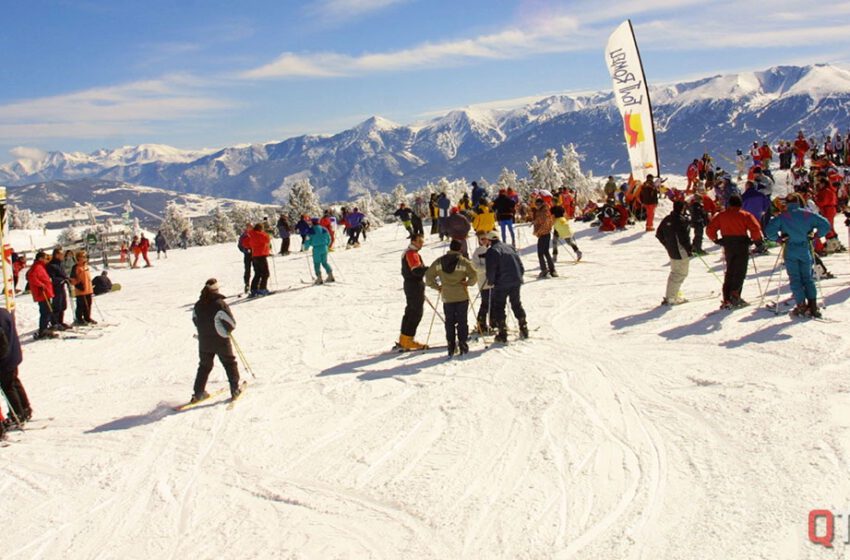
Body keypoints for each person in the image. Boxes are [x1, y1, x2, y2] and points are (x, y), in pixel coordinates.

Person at [764, 193, 832, 318]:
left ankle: (801, 305)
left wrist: (779, 239)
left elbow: (769, 231)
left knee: (795, 278)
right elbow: (826, 224)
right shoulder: (808, 214)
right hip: (805, 248)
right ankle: (812, 305)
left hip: (790, 248)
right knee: (808, 278)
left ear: (787, 204)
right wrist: (816, 235)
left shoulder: (783, 216)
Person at [706, 194, 765, 308]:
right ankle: (735, 295)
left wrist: (716, 240)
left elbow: (710, 229)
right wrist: (756, 240)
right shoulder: (745, 215)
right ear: (740, 204)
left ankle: (726, 297)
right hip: (741, 244)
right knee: (740, 270)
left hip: (728, 244)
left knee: (730, 270)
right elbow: (755, 228)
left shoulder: (721, 215)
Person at [190, 278, 241, 403]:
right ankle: (234, 389)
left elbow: (195, 320)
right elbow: (231, 323)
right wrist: (226, 331)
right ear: (216, 289)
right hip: (220, 340)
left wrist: (204, 330)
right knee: (229, 363)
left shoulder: (198, 304)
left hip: (204, 341)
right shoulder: (219, 303)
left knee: (204, 366)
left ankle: (198, 393)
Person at [425, 239, 478, 357]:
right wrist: (468, 283)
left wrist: (437, 287)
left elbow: (428, 276)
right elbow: (474, 275)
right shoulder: (463, 262)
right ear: (460, 249)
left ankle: (450, 344)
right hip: (461, 295)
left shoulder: (439, 262)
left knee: (449, 321)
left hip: (447, 296)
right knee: (462, 321)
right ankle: (463, 343)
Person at [481, 231, 527, 342]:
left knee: (499, 306)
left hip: (502, 283)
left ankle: (502, 332)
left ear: (490, 240)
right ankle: (523, 327)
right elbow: (520, 264)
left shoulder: (492, 251)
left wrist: (491, 281)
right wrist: (519, 276)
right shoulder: (509, 247)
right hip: (515, 280)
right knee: (516, 303)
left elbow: (491, 268)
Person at [656, 200, 693, 305]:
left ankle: (672, 295)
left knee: (675, 272)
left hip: (672, 250)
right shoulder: (680, 220)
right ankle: (671, 297)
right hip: (680, 251)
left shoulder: (667, 219)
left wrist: (667, 244)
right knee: (680, 273)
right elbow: (684, 238)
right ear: (682, 209)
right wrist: (690, 249)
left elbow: (659, 234)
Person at [0, 308, 30, 428]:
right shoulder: (4, 312)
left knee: (8, 386)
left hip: (5, 359)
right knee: (14, 382)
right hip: (13, 354)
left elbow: (2, 344)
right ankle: (25, 408)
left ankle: (17, 414)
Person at [398, 234, 428, 350]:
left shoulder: (409, 252)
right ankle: (408, 339)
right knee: (416, 312)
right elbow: (416, 270)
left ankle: (404, 338)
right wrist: (429, 269)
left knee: (410, 310)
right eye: (420, 241)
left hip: (410, 284)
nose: (422, 244)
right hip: (414, 284)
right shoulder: (411, 253)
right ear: (413, 241)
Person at [26, 251, 55, 339]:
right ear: (40, 258)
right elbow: (31, 277)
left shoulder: (41, 266)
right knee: (45, 311)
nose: (47, 260)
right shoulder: (36, 267)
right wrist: (41, 285)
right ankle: (43, 330)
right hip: (41, 293)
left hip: (45, 292)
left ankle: (45, 328)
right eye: (45, 258)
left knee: (48, 310)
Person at [471, 231, 493, 334]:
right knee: (485, 303)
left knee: (494, 303)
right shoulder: (477, 252)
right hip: (483, 281)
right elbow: (475, 267)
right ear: (479, 240)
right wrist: (487, 268)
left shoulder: (492, 250)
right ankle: (481, 323)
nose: (485, 241)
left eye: (486, 239)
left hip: (493, 281)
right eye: (482, 239)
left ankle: (494, 322)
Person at [304, 218, 335, 284]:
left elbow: (307, 240)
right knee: (324, 262)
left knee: (317, 263)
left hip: (316, 249)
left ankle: (319, 278)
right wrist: (327, 245)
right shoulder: (324, 229)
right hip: (324, 247)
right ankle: (330, 275)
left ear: (312, 222)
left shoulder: (311, 230)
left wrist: (306, 247)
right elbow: (329, 238)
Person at [531, 198, 557, 278]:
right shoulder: (544, 210)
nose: (537, 206)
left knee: (540, 253)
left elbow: (545, 223)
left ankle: (544, 270)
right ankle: (552, 270)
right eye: (536, 205)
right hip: (546, 233)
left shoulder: (544, 211)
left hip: (543, 234)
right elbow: (541, 220)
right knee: (546, 252)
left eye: (538, 204)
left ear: (541, 204)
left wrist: (537, 232)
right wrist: (535, 221)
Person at [46, 248, 71, 330]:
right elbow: (52, 278)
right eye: (61, 254)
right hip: (56, 288)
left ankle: (60, 321)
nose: (63, 256)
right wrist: (62, 280)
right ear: (56, 255)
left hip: (61, 286)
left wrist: (66, 278)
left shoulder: (59, 264)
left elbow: (62, 274)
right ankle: (55, 323)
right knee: (57, 305)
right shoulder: (51, 265)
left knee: (63, 304)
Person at [70, 250, 96, 325]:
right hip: (80, 290)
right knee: (82, 305)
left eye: (85, 257)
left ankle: (87, 318)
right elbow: (72, 279)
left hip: (88, 289)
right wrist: (78, 285)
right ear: (78, 258)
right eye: (83, 257)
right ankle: (79, 319)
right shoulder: (76, 267)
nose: (85, 258)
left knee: (88, 304)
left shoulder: (86, 266)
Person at [247, 223, 271, 297]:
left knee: (257, 273)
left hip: (254, 256)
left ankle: (254, 289)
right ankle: (262, 289)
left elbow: (246, 243)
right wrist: (266, 233)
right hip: (261, 256)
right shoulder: (260, 235)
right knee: (265, 273)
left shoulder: (251, 235)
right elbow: (267, 239)